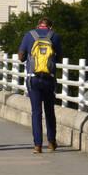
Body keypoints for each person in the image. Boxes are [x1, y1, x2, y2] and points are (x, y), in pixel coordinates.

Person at [18, 15, 63, 153]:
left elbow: (20, 56)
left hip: (34, 79)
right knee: (50, 111)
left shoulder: (29, 35)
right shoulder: (54, 36)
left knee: (36, 112)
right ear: (50, 27)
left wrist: (27, 58)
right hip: (49, 79)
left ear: (38, 25)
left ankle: (37, 145)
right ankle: (51, 142)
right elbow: (60, 58)